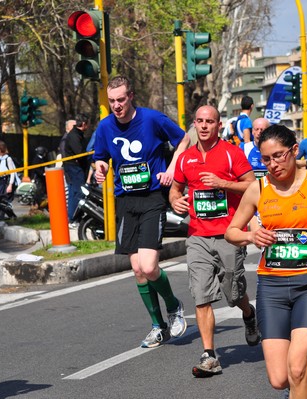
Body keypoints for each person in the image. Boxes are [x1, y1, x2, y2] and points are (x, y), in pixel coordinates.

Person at [224, 124, 307, 398]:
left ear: (294, 151)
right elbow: (231, 232)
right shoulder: (257, 189)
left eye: (279, 155)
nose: (273, 164)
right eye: (266, 159)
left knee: (298, 369)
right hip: (271, 288)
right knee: (279, 379)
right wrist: (252, 236)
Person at [93, 76, 190, 349]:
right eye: (112, 101)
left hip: (151, 198)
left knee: (148, 266)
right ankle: (158, 326)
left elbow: (183, 139)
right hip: (125, 201)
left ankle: (174, 306)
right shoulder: (104, 127)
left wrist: (172, 168)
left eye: (121, 100)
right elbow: (100, 157)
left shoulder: (151, 119)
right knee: (137, 269)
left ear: (131, 96)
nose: (116, 106)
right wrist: (100, 168)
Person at [169, 104, 260, 378]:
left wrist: (224, 183)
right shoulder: (185, 159)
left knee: (232, 294)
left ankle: (248, 313)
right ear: (194, 124)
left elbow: (253, 185)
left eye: (210, 121)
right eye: (199, 121)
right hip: (197, 234)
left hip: (229, 233)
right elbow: (175, 190)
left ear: (219, 125)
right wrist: (176, 202)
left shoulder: (231, 154)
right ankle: (210, 355)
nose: (204, 126)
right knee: (200, 294)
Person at [62, 113, 90, 228]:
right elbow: (79, 153)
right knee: (77, 192)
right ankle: (73, 218)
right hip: (74, 167)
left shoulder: (77, 134)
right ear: (83, 124)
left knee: (76, 192)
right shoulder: (74, 136)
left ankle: (73, 218)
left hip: (75, 167)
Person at [0, 140, 18, 206]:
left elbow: (12, 172)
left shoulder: (7, 159)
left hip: (5, 181)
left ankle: (5, 215)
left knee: (4, 202)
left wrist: (10, 185)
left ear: (2, 148)